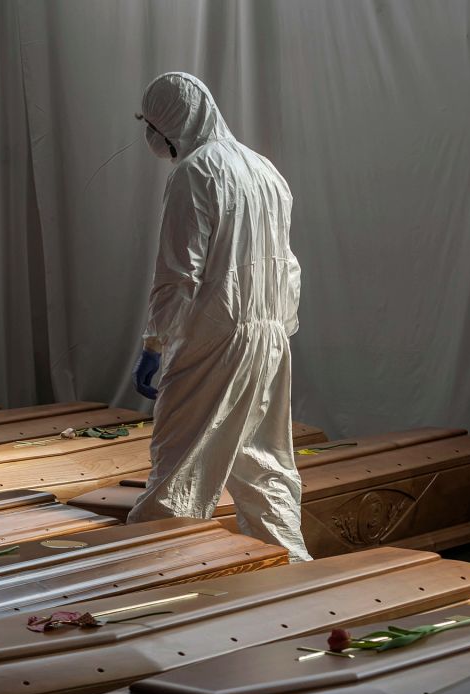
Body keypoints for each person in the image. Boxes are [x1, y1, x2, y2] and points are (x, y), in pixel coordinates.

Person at [128, 72, 311, 563]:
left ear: (170, 121)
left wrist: (154, 343)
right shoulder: (264, 169)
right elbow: (288, 264)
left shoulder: (195, 172)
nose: (149, 135)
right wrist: (277, 331)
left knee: (179, 464)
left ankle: (159, 575)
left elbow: (180, 273)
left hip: (217, 335)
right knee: (262, 462)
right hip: (269, 334)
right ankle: (290, 571)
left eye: (150, 122)